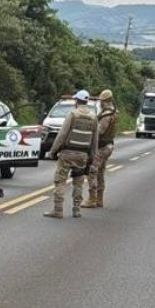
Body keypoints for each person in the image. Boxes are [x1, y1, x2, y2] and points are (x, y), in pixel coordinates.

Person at [45, 90, 99, 219]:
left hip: (67, 153)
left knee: (60, 181)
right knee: (79, 182)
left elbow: (62, 135)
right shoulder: (93, 117)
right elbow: (94, 140)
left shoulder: (73, 114)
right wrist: (92, 157)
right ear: (86, 101)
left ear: (76, 101)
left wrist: (52, 151)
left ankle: (58, 210)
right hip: (82, 156)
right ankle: (77, 210)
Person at [83, 90, 119, 209]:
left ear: (105, 101)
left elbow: (100, 131)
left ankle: (92, 199)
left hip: (101, 147)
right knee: (101, 172)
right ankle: (99, 199)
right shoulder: (115, 112)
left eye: (101, 101)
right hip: (108, 145)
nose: (100, 103)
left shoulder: (106, 115)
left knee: (92, 171)